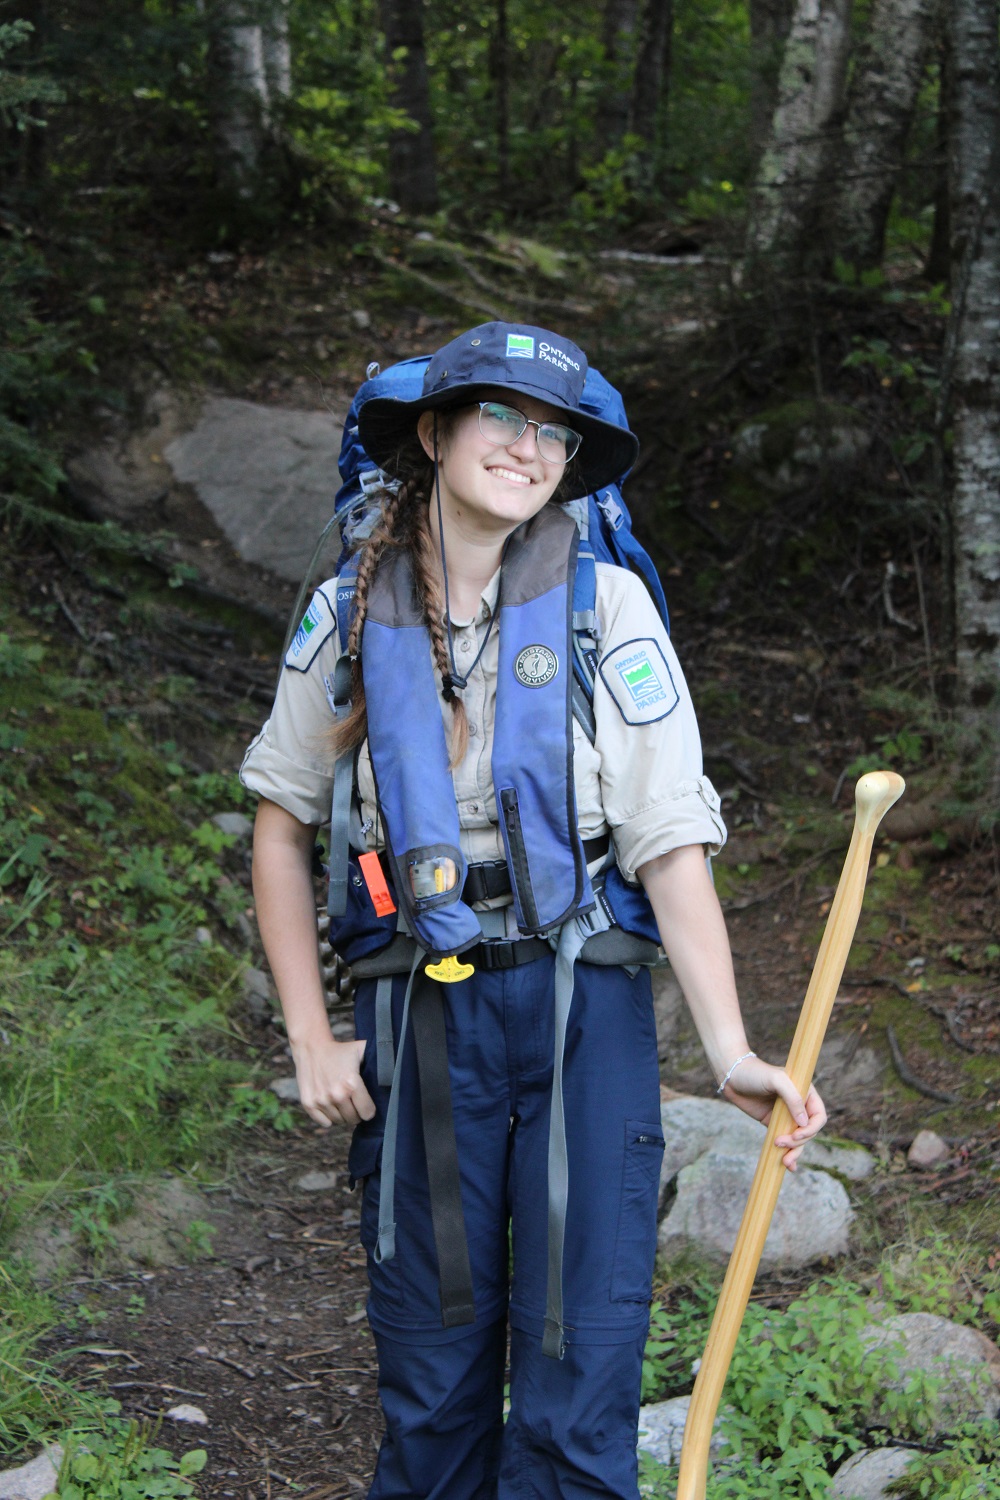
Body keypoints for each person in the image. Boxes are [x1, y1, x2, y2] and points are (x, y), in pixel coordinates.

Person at [240, 321, 827, 1500]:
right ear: (434, 432)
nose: (529, 447)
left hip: (582, 1015)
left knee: (578, 1372)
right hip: (419, 1016)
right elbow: (280, 816)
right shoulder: (349, 613)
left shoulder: (608, 612)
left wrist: (729, 1051)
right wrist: (310, 1036)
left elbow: (669, 843)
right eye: (501, 417)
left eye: (554, 432)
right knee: (431, 1381)